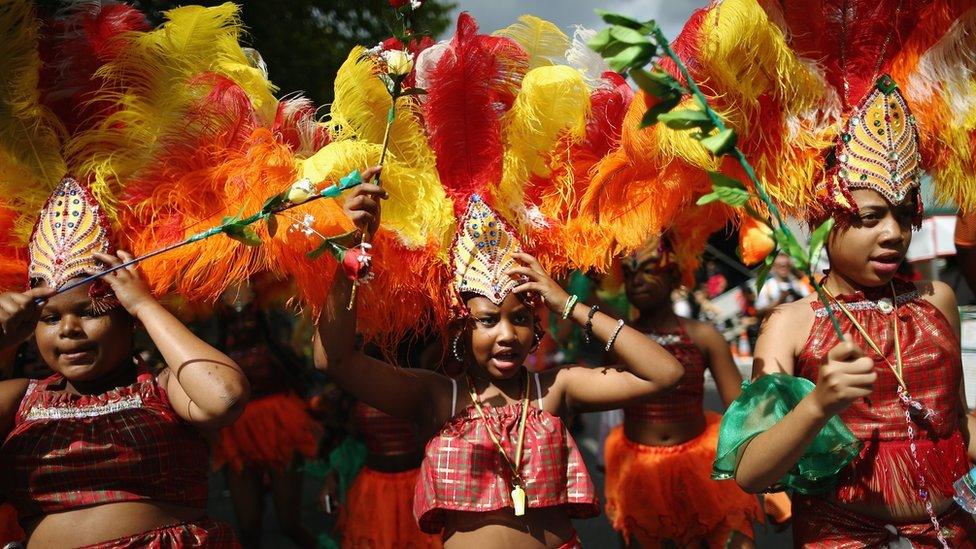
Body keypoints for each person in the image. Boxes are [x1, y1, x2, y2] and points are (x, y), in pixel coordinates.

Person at [313, 166, 684, 548]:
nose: (507, 335)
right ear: (461, 328)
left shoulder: (555, 388)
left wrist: (568, 303)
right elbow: (335, 360)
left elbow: (665, 373)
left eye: (520, 318)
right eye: (488, 320)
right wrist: (351, 254)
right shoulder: (438, 397)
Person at [0, 177, 250, 547]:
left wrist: (144, 303)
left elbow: (224, 397)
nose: (69, 330)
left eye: (90, 311)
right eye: (50, 318)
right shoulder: (20, 398)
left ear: (127, 316)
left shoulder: (165, 387)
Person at [603, 233, 789, 548]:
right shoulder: (619, 338)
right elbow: (608, 403)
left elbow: (738, 408)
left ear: (675, 275)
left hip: (702, 464)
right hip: (640, 469)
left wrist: (769, 469)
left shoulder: (703, 335)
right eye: (630, 273)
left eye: (650, 269)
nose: (638, 281)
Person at [212, 279, 321, 548]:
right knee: (248, 529)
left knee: (289, 524)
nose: (242, 320)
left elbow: (300, 359)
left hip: (280, 424)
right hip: (237, 430)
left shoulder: (274, 322)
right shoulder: (213, 331)